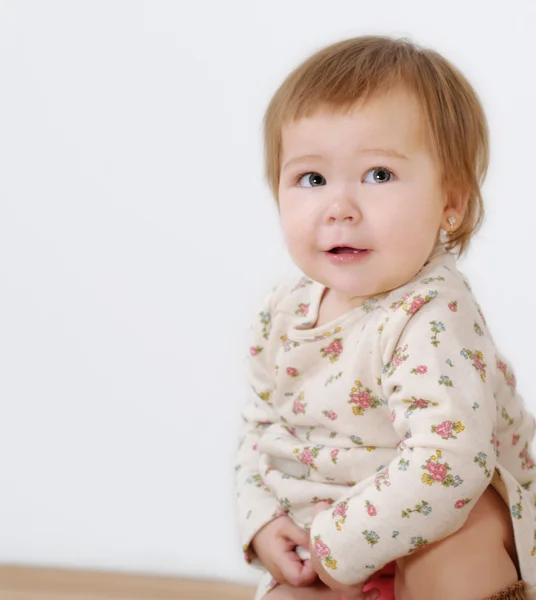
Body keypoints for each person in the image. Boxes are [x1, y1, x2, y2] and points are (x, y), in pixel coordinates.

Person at [234, 35, 536, 600]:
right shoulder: (283, 312)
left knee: (455, 548)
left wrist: (336, 546)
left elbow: (450, 463)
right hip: (330, 538)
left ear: (452, 202)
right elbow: (259, 429)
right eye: (312, 179)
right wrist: (261, 522)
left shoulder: (430, 312)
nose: (339, 206)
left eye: (378, 175)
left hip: (436, 518)